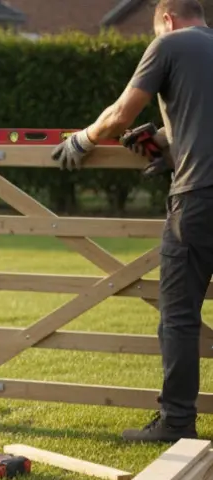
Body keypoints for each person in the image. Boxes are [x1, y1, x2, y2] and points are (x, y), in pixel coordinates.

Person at [51, 0, 213, 442]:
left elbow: (122, 113)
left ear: (166, 19)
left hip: (199, 199)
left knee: (178, 315)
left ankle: (177, 422)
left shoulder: (168, 45)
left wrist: (82, 140)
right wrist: (166, 141)